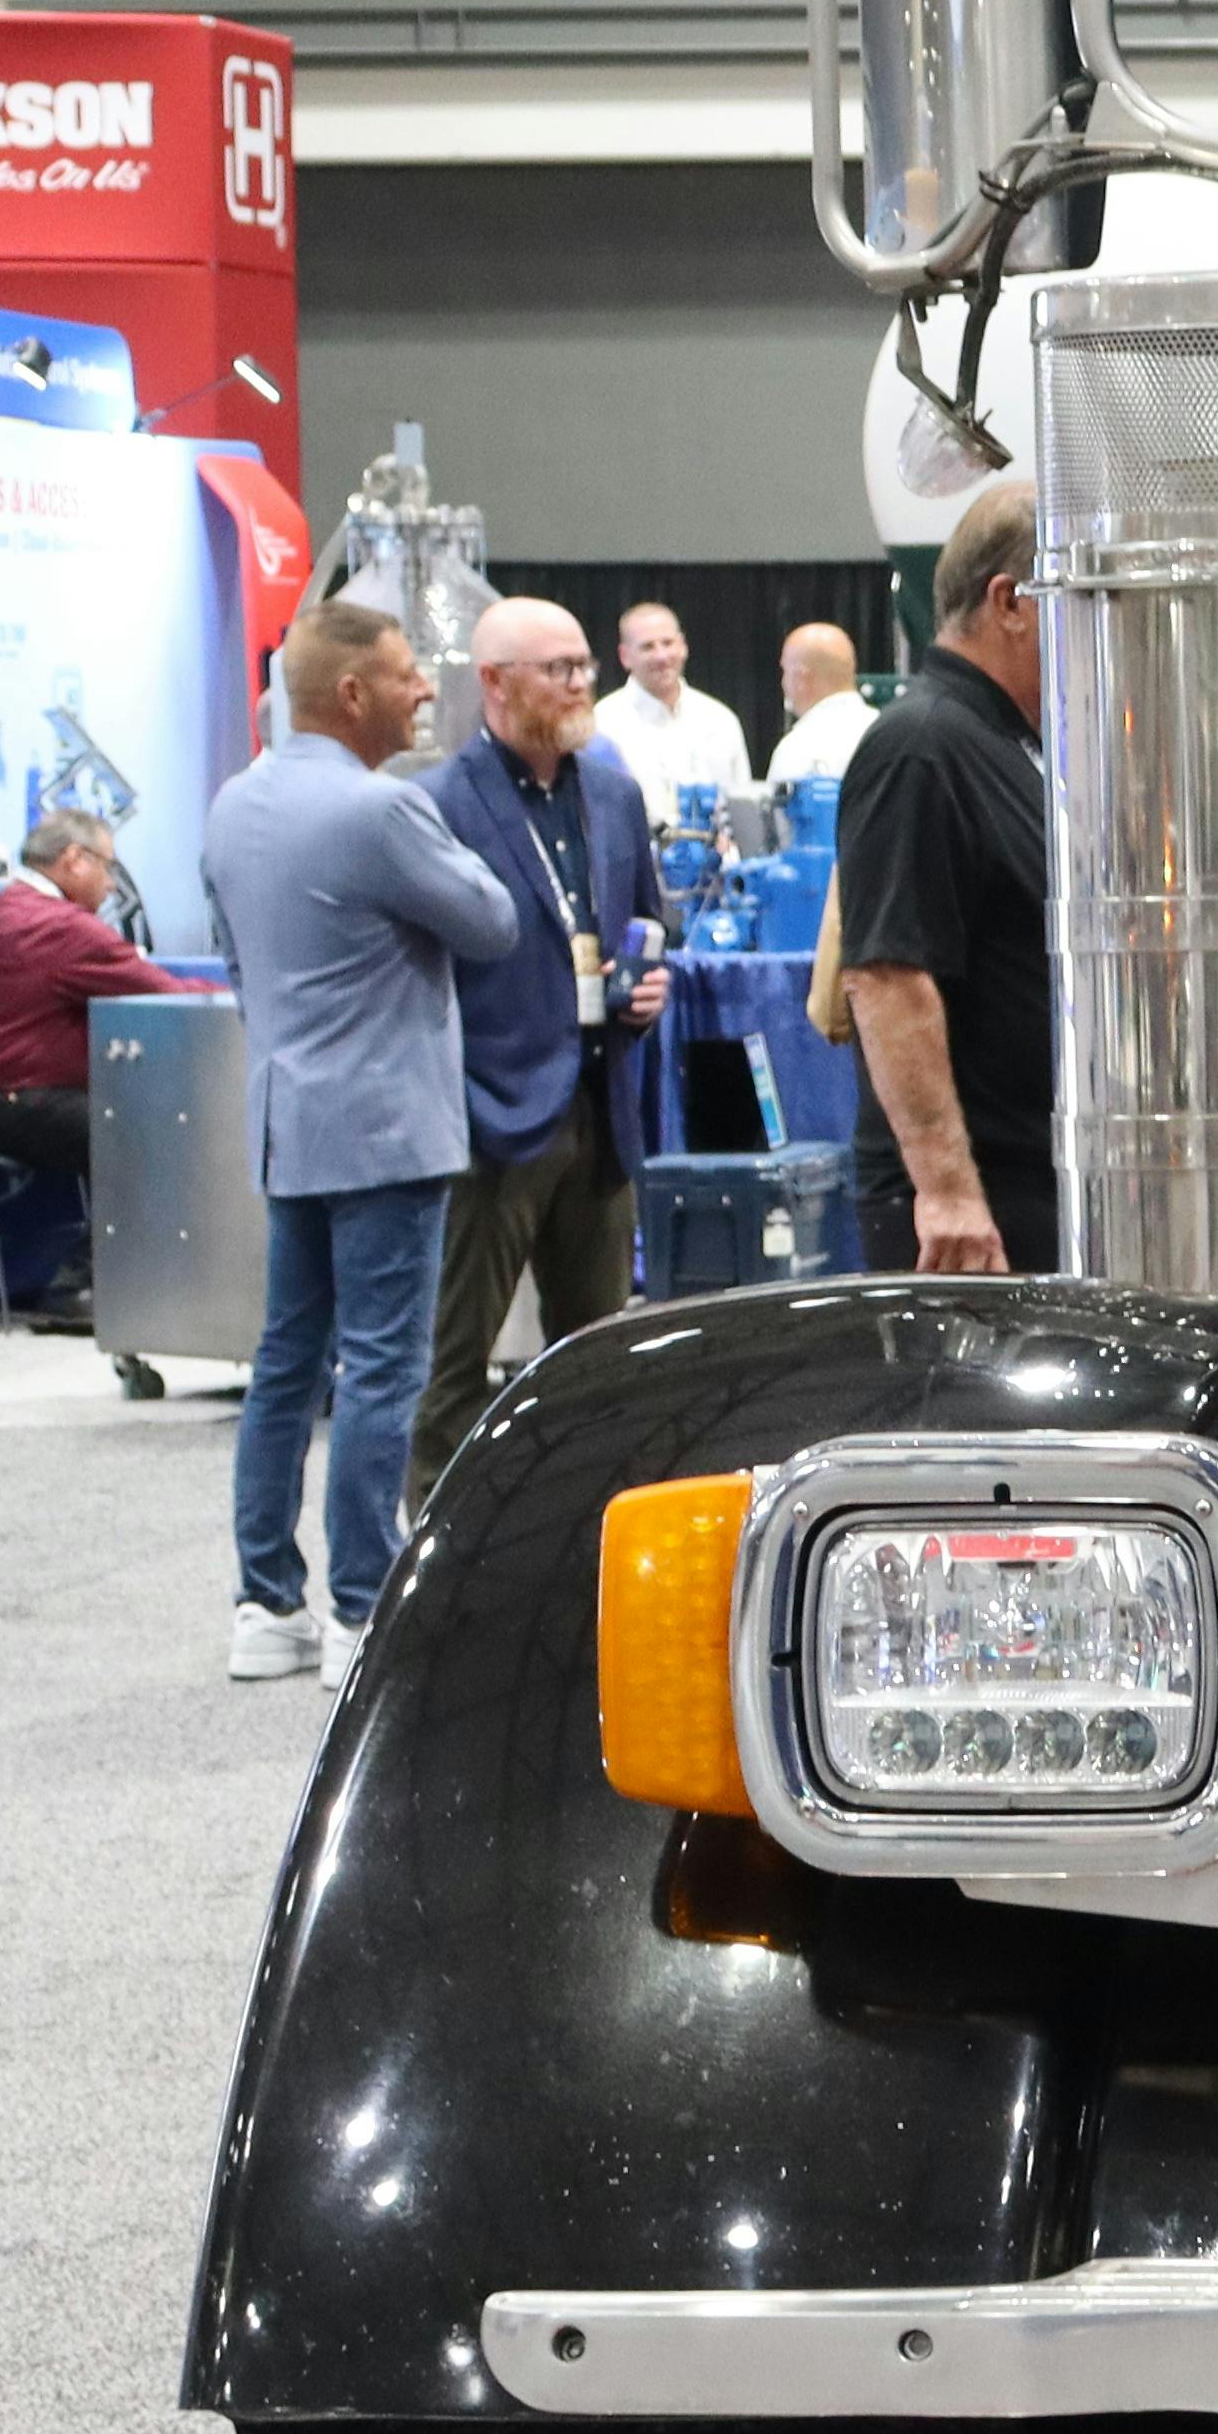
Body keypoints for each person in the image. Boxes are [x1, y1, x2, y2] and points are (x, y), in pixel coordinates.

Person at [199, 600, 520, 1690]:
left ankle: (265, 1600)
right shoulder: (381, 810)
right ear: (350, 694)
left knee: (286, 1364)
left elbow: (237, 961)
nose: (424, 689)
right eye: (404, 674)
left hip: (287, 1122)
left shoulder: (234, 804)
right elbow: (493, 922)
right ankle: (360, 1606)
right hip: (386, 1131)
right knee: (383, 1368)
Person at [409, 597, 672, 1502]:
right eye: (557, 668)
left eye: (582, 665)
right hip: (492, 1116)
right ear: (495, 681)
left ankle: (582, 1535)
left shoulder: (613, 793)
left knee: (596, 1367)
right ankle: (434, 1547)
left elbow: (646, 925)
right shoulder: (438, 804)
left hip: (602, 1107)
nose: (578, 683)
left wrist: (647, 989)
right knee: (452, 1366)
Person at [837, 481, 1060, 1272]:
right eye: (1077, 598)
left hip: (1021, 1186)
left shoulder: (1003, 743)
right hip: (970, 1213)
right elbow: (889, 976)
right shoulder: (921, 746)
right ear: (1010, 602)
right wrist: (948, 1191)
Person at [0, 805, 179, 1183]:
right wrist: (237, 993)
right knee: (144, 1126)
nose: (110, 885)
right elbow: (164, 992)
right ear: (74, 859)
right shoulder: (58, 926)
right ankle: (125, 1227)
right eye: (107, 867)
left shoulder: (0, 911)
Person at [584, 600, 751, 810]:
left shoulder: (720, 720)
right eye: (648, 647)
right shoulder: (602, 724)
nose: (661, 656)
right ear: (624, 656)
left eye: (668, 643)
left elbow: (743, 807)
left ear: (683, 646)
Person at [769, 622, 878, 786]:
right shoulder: (887, 730)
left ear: (801, 679)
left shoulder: (798, 748)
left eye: (785, 671)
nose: (783, 683)